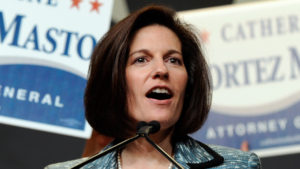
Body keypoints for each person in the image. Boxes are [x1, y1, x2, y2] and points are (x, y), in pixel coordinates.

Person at [45, 5, 261, 169]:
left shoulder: (237, 166)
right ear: (114, 80)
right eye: (141, 59)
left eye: (173, 60)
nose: (161, 70)